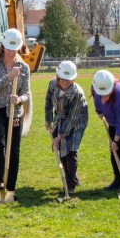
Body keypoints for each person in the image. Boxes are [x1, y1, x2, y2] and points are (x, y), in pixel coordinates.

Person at [0, 28, 31, 199]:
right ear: (3, 46)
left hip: (13, 111)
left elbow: (27, 93)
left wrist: (19, 99)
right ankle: (1, 180)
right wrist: (10, 76)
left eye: (14, 48)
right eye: (8, 48)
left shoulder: (24, 68)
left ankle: (10, 188)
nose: (11, 52)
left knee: (14, 150)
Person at [44, 61, 89, 196]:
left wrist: (59, 136)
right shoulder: (52, 84)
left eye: (68, 80)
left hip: (77, 121)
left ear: (73, 78)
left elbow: (72, 119)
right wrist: (48, 118)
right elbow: (47, 101)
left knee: (70, 150)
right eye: (62, 78)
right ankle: (73, 179)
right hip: (60, 116)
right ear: (58, 75)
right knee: (60, 150)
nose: (64, 82)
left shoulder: (77, 93)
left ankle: (70, 186)